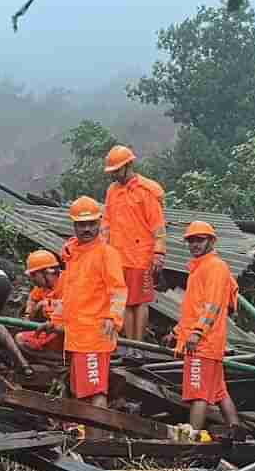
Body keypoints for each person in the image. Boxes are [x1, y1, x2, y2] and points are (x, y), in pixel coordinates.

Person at [52, 196, 127, 409]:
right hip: (77, 336)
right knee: (81, 392)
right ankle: (89, 437)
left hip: (95, 334)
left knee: (95, 391)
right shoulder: (73, 257)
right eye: (82, 224)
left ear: (99, 223)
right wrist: (56, 320)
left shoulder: (106, 254)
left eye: (91, 224)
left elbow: (119, 290)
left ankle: (98, 441)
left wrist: (114, 318)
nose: (87, 229)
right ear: (74, 225)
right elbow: (68, 294)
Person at [173, 221, 241, 439]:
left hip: (203, 343)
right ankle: (237, 432)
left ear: (212, 241)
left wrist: (197, 333)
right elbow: (194, 307)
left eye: (200, 240)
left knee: (198, 393)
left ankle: (190, 440)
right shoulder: (201, 266)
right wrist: (177, 332)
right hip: (204, 340)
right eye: (191, 240)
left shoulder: (214, 267)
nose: (194, 244)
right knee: (219, 392)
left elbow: (213, 305)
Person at [101, 144, 165, 345]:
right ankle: (130, 345)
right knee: (125, 301)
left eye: (117, 171)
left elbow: (158, 226)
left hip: (141, 255)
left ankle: (139, 345)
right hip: (118, 256)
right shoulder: (112, 191)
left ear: (128, 165)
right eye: (112, 172)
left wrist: (159, 253)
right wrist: (102, 248)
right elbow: (106, 221)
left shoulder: (146, 191)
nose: (114, 176)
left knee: (141, 302)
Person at [17, 250, 65, 359]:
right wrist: (28, 314)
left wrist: (45, 304)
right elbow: (32, 299)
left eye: (34, 274)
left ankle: (62, 360)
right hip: (52, 334)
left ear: (48, 271)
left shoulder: (70, 282)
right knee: (20, 339)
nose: (32, 278)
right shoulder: (42, 286)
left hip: (71, 334)